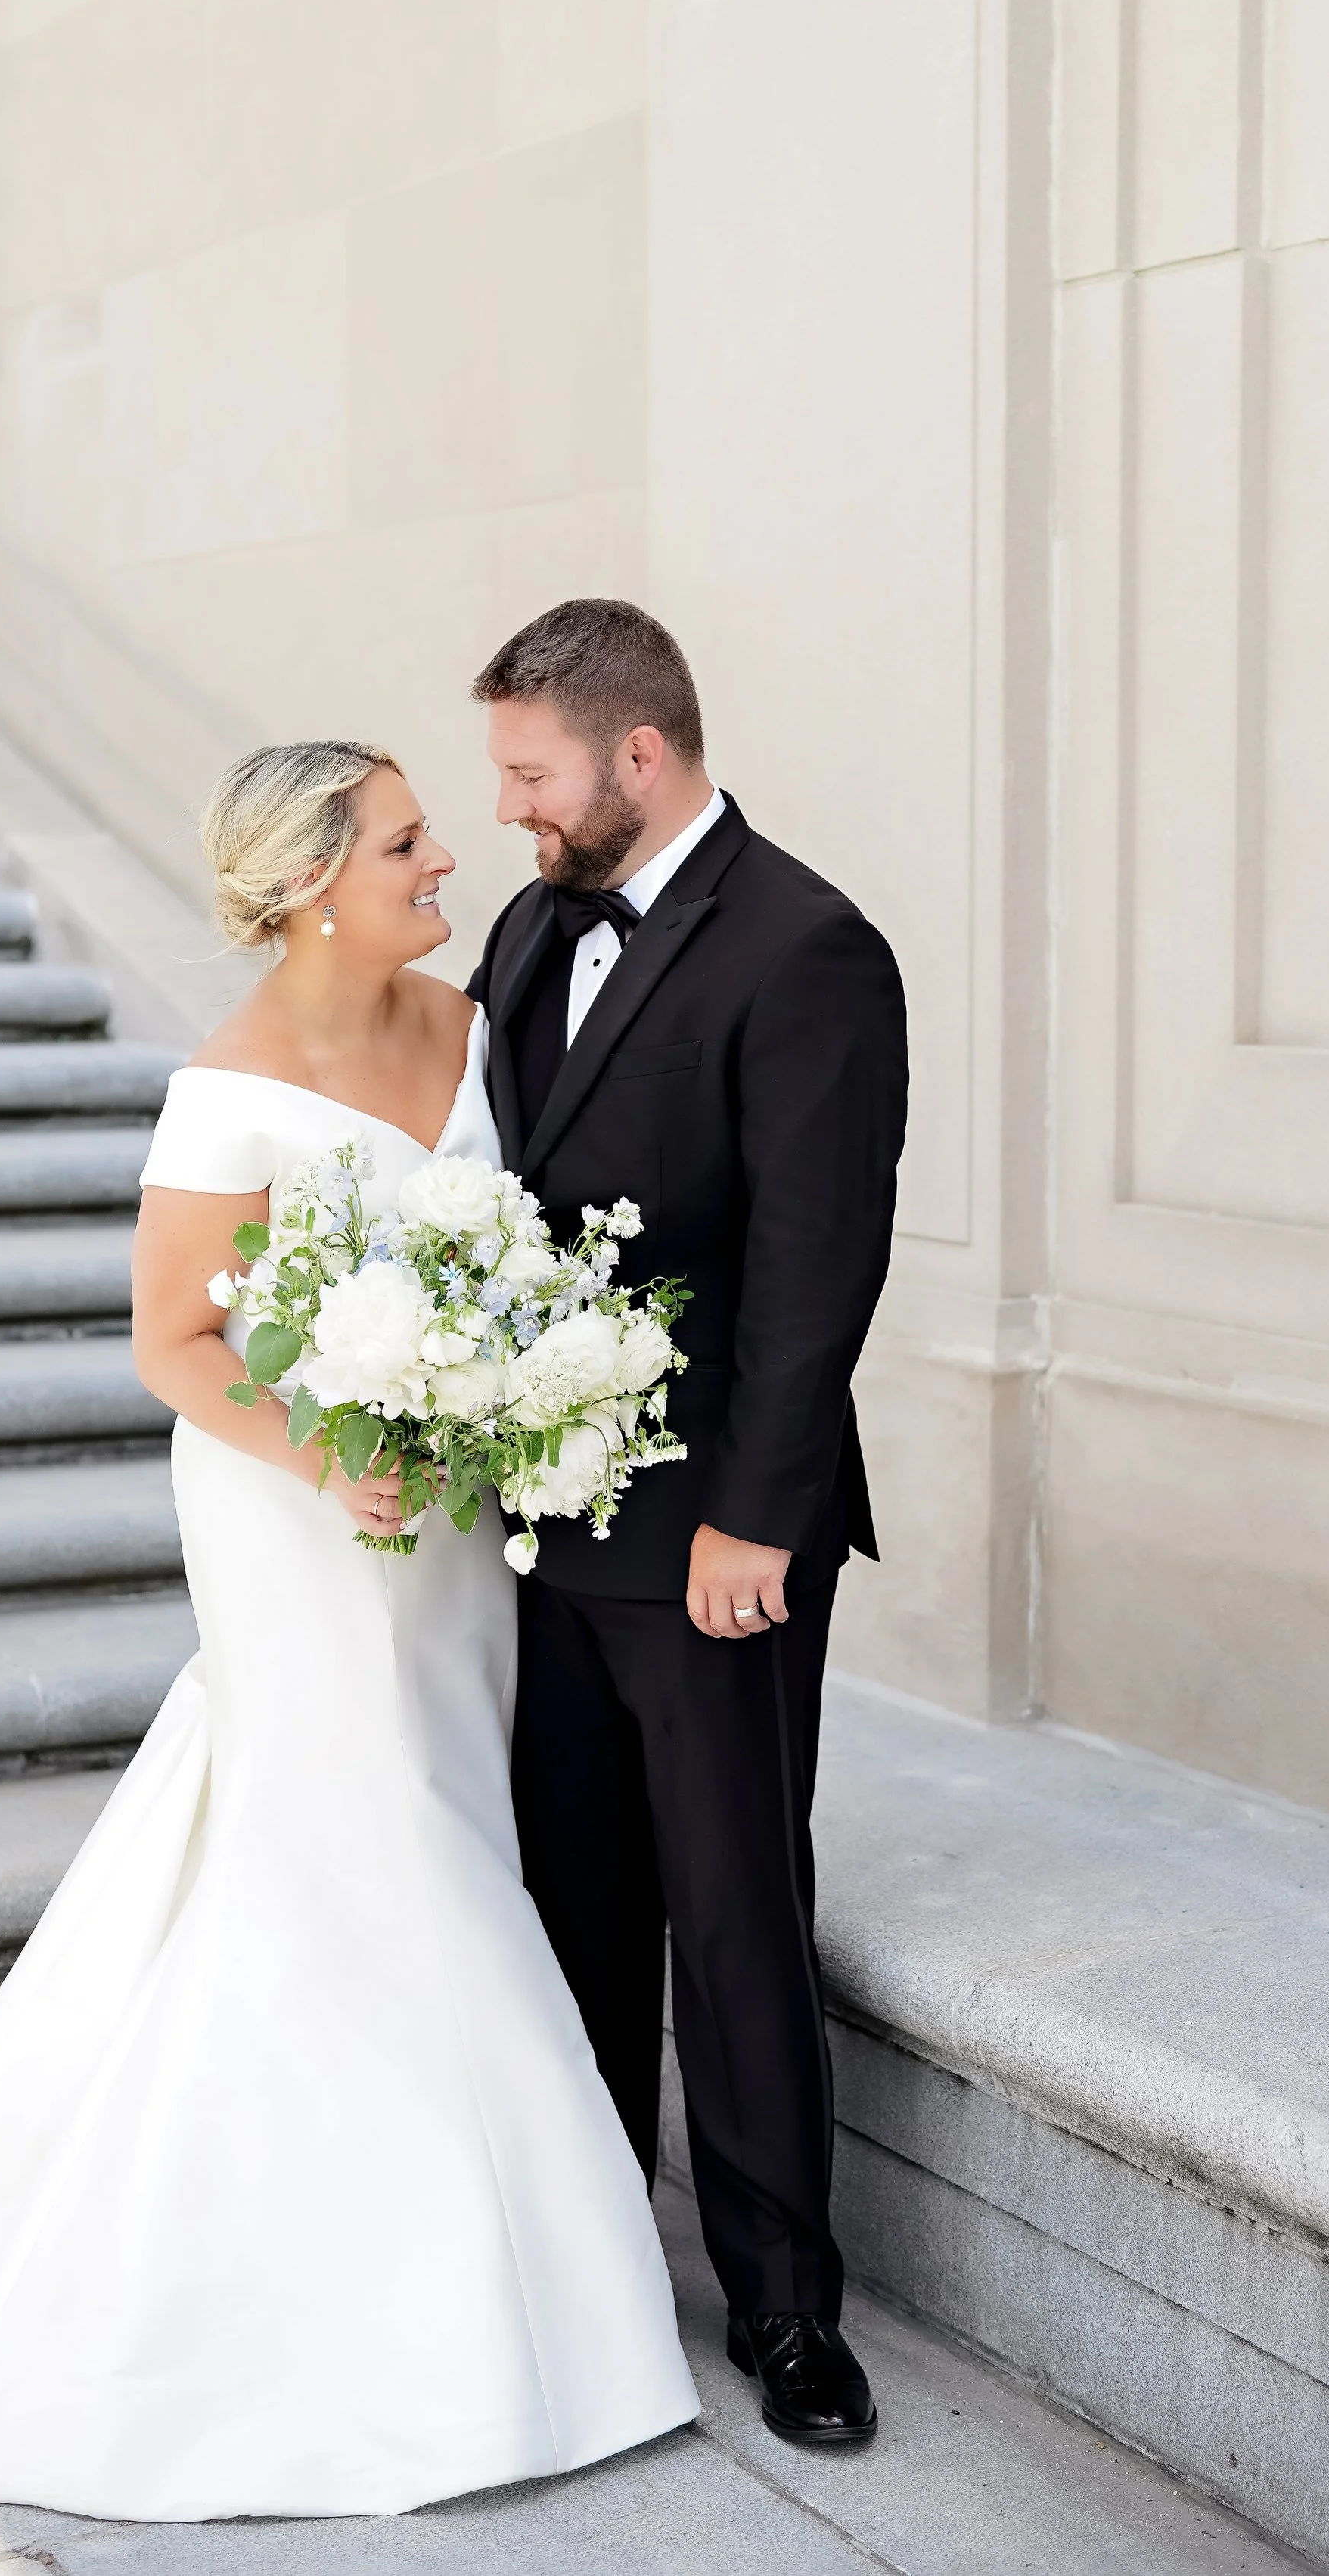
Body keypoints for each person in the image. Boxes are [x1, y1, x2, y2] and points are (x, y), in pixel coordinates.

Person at [0, 741, 698, 2522]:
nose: (441, 853)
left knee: (442, 1821)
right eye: (399, 839)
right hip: (303, 1516)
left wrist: (503, 1395)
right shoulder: (222, 1095)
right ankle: (383, 2330)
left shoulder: (469, 1026)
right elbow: (174, 1344)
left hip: (447, 1519)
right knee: (371, 1848)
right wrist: (336, 1456)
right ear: (308, 883)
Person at [468, 600, 908, 2449]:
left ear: (634, 756)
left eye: (530, 775)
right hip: (544, 1536)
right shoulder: (523, 923)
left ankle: (784, 2309)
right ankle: (590, 2264)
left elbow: (820, 1267)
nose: (509, 812)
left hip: (713, 1545)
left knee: (733, 1916)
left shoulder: (808, 947)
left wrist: (756, 1523)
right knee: (575, 1905)